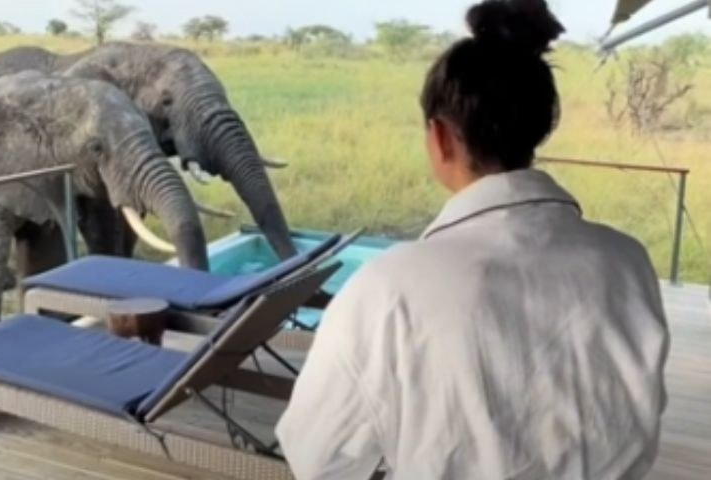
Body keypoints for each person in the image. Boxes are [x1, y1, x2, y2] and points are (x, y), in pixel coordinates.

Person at [276, 0, 670, 478]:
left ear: (440, 137)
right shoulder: (627, 263)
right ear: (538, 128)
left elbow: (318, 457)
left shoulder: (389, 289)